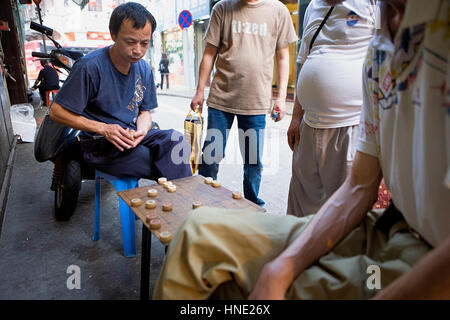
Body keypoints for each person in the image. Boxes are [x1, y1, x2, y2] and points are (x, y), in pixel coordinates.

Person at [154, 0, 450, 299]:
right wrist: (282, 267)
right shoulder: (380, 47)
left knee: (235, 282)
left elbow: (285, 56)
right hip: (387, 230)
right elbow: (360, 186)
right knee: (198, 234)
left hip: (430, 255)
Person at [49, 2, 192, 181]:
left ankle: (183, 203)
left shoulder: (144, 69)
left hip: (131, 135)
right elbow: (56, 112)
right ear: (113, 34)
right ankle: (180, 199)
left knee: (176, 141)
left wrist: (142, 131)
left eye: (145, 43)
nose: (138, 50)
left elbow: (145, 112)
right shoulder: (90, 67)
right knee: (154, 159)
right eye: (130, 42)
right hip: (100, 143)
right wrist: (104, 128)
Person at [190, 0, 298, 206]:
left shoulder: (278, 10)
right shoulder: (222, 8)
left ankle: (251, 205)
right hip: (221, 99)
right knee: (212, 156)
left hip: (255, 101)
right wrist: (199, 92)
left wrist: (281, 98)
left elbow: (283, 56)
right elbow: (209, 53)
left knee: (253, 161)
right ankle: (202, 202)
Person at [287, 0, 377, 217]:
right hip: (309, 126)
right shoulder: (312, 7)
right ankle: (300, 249)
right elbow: (305, 60)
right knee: (301, 209)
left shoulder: (372, 3)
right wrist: (296, 117)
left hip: (351, 124)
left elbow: (388, 56)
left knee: (344, 212)